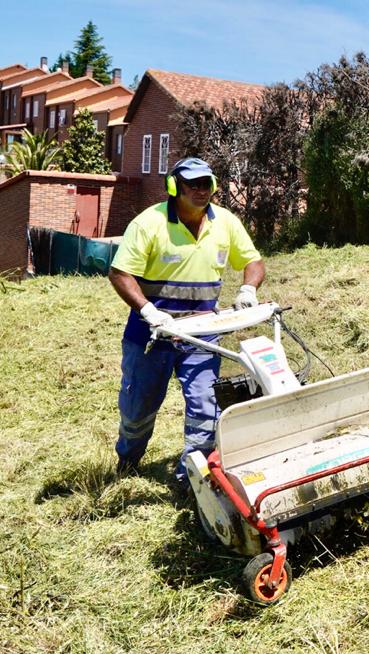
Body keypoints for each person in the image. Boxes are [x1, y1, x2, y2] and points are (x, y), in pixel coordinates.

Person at [108, 157, 264, 485]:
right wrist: (148, 311)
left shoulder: (226, 222)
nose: (200, 190)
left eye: (206, 183)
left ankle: (192, 479)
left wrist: (248, 288)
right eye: (192, 184)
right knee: (137, 411)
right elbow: (120, 273)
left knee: (206, 409)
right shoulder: (148, 223)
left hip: (202, 334)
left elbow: (253, 261)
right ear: (173, 186)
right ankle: (128, 462)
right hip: (151, 335)